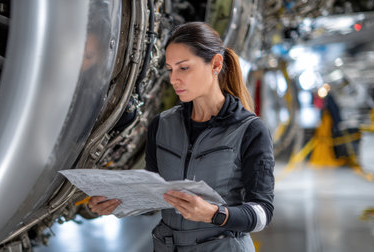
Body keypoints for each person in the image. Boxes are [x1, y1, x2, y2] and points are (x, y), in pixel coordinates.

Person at [88, 22, 275, 251]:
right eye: (170, 69)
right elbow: (155, 196)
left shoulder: (250, 130)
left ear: (215, 64)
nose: (173, 79)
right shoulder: (162, 125)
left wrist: (215, 214)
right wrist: (117, 202)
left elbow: (262, 213)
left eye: (183, 68)